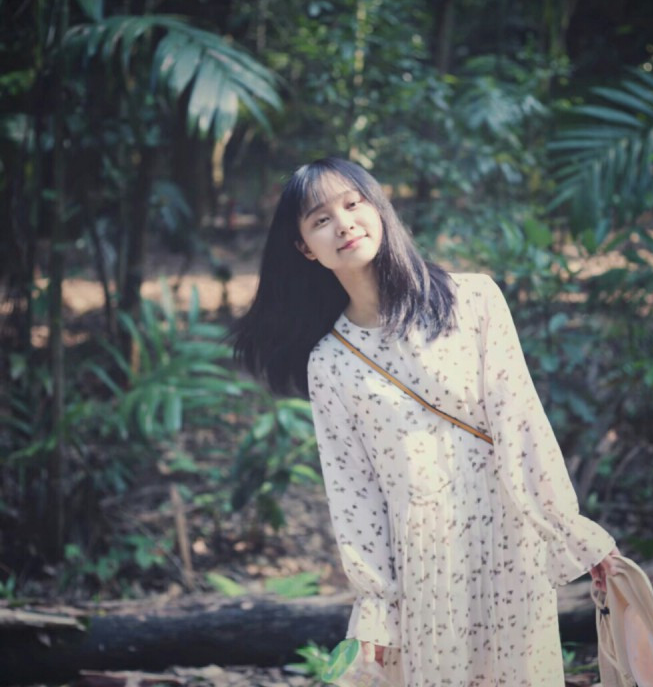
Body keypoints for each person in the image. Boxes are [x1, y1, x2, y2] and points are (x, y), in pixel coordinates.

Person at [232, 156, 619, 686]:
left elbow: (522, 425)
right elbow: (354, 490)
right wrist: (376, 599)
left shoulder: (474, 300)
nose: (343, 223)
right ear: (305, 248)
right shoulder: (330, 362)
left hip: (508, 538)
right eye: (321, 219)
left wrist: (569, 529)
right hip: (423, 561)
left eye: (353, 204)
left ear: (379, 208)